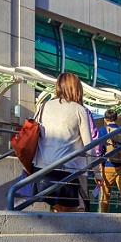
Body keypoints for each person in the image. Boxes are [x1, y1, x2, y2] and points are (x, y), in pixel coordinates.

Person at [33, 72, 102, 212]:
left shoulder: (43, 106)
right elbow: (89, 146)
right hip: (66, 170)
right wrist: (97, 173)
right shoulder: (79, 110)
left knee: (56, 209)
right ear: (77, 88)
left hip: (42, 169)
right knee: (71, 214)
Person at [98, 109, 121, 213]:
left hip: (108, 165)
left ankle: (103, 218)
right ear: (117, 119)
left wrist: (99, 165)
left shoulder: (103, 130)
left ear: (105, 119)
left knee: (105, 194)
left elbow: (100, 149)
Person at [78, 106, 99, 212]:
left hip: (55, 162)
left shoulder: (49, 106)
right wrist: (97, 171)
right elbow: (93, 138)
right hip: (79, 163)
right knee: (82, 203)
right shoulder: (83, 110)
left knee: (61, 202)